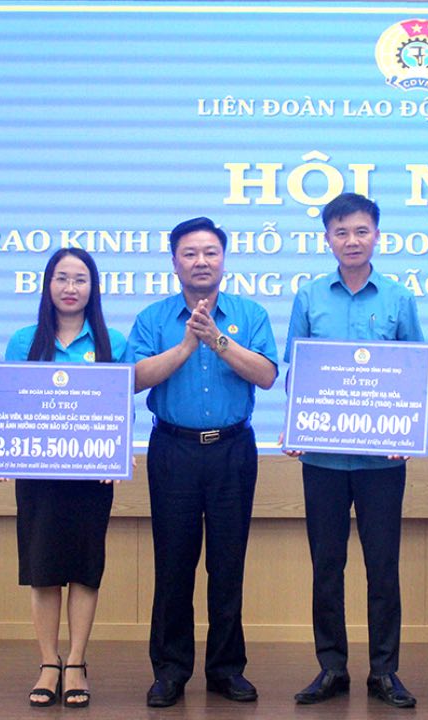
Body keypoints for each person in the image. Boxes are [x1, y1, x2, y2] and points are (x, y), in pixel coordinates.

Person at [126, 216, 278, 708]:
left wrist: (217, 338)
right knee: (173, 564)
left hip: (233, 450)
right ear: (174, 262)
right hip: (173, 451)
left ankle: (226, 670)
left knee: (228, 564)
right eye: (190, 253)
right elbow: (134, 378)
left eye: (210, 252)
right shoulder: (153, 318)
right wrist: (188, 343)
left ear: (224, 259)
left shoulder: (249, 314)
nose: (201, 261)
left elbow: (268, 375)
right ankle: (170, 670)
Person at [283, 193, 423, 708]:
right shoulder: (309, 296)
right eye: (341, 232)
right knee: (327, 565)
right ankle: (331, 667)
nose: (351, 241)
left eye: (361, 231)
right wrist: (296, 423)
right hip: (321, 458)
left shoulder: (399, 298)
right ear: (327, 239)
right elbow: (297, 368)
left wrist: (405, 429)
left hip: (381, 461)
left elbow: (413, 371)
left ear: (377, 236)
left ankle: (384, 671)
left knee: (383, 566)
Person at [0, 247, 127, 708]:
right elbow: (9, 407)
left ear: (93, 288)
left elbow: (119, 409)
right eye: (62, 278)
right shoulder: (24, 341)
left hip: (91, 477)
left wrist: (116, 455)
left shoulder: (112, 342)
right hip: (38, 476)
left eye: (80, 279)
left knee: (85, 570)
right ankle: (48, 662)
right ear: (47, 285)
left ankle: (77, 663)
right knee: (43, 571)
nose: (70, 288)